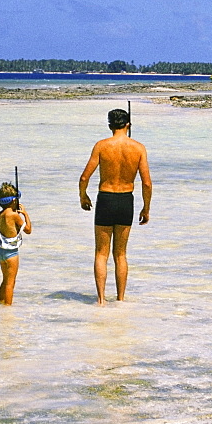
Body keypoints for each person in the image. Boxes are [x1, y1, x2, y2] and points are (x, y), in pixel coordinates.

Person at [79, 108, 152, 305]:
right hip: (125, 200)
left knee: (101, 253)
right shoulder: (139, 148)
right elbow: (146, 183)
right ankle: (120, 299)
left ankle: (101, 300)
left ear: (110, 125)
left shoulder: (102, 146)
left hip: (106, 199)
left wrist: (83, 196)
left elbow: (84, 177)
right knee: (120, 254)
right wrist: (146, 208)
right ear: (128, 125)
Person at [0, 182, 32, 306]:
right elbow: (28, 230)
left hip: (1, 252)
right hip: (12, 254)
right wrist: (25, 214)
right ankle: (7, 309)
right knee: (11, 283)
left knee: (5, 281)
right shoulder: (14, 215)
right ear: (13, 201)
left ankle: (1, 304)